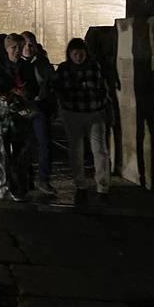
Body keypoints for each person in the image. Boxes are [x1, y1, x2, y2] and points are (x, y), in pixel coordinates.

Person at [0, 33, 37, 201]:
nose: (18, 51)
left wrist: (27, 93)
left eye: (20, 47)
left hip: (20, 111)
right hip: (1, 112)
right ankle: (3, 184)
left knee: (21, 149)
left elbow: (34, 86)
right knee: (1, 148)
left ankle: (18, 186)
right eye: (14, 48)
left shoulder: (26, 67)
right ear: (6, 49)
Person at [55, 37, 110, 201]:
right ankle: (80, 185)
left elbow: (102, 88)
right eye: (75, 54)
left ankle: (103, 186)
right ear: (70, 54)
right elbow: (58, 89)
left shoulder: (94, 67)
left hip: (94, 112)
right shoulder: (64, 69)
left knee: (100, 150)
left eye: (81, 54)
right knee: (76, 151)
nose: (78, 57)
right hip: (73, 113)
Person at [20, 30, 56, 195]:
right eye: (25, 44)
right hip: (22, 109)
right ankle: (26, 178)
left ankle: (43, 179)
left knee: (44, 143)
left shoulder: (43, 62)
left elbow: (52, 82)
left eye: (31, 44)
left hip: (40, 107)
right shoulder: (17, 63)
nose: (28, 48)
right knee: (24, 146)